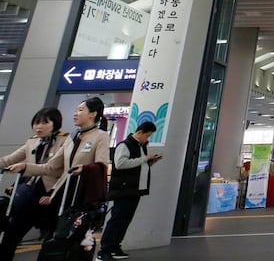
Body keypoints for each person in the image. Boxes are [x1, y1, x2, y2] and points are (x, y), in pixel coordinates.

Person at [14, 97, 112, 252]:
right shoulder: (72, 136)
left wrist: (85, 169)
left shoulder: (101, 136)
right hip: (62, 193)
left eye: (80, 110)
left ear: (93, 114)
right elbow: (51, 166)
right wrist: (24, 167)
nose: (75, 114)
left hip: (80, 194)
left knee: (73, 239)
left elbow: (102, 163)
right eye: (76, 110)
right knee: (54, 238)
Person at [0, 107, 69, 261]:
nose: (39, 126)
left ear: (55, 123)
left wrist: (53, 192)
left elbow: (63, 170)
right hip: (29, 193)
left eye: (45, 123)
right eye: (36, 123)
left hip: (50, 195)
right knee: (11, 234)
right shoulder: (32, 142)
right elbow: (9, 159)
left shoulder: (66, 141)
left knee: (50, 237)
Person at [97, 121, 162, 261]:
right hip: (123, 190)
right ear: (141, 132)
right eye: (148, 135)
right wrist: (144, 158)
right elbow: (120, 164)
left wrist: (150, 161)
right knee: (117, 219)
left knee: (125, 220)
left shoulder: (141, 146)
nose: (148, 139)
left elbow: (138, 164)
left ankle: (115, 246)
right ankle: (105, 249)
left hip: (135, 190)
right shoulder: (124, 145)